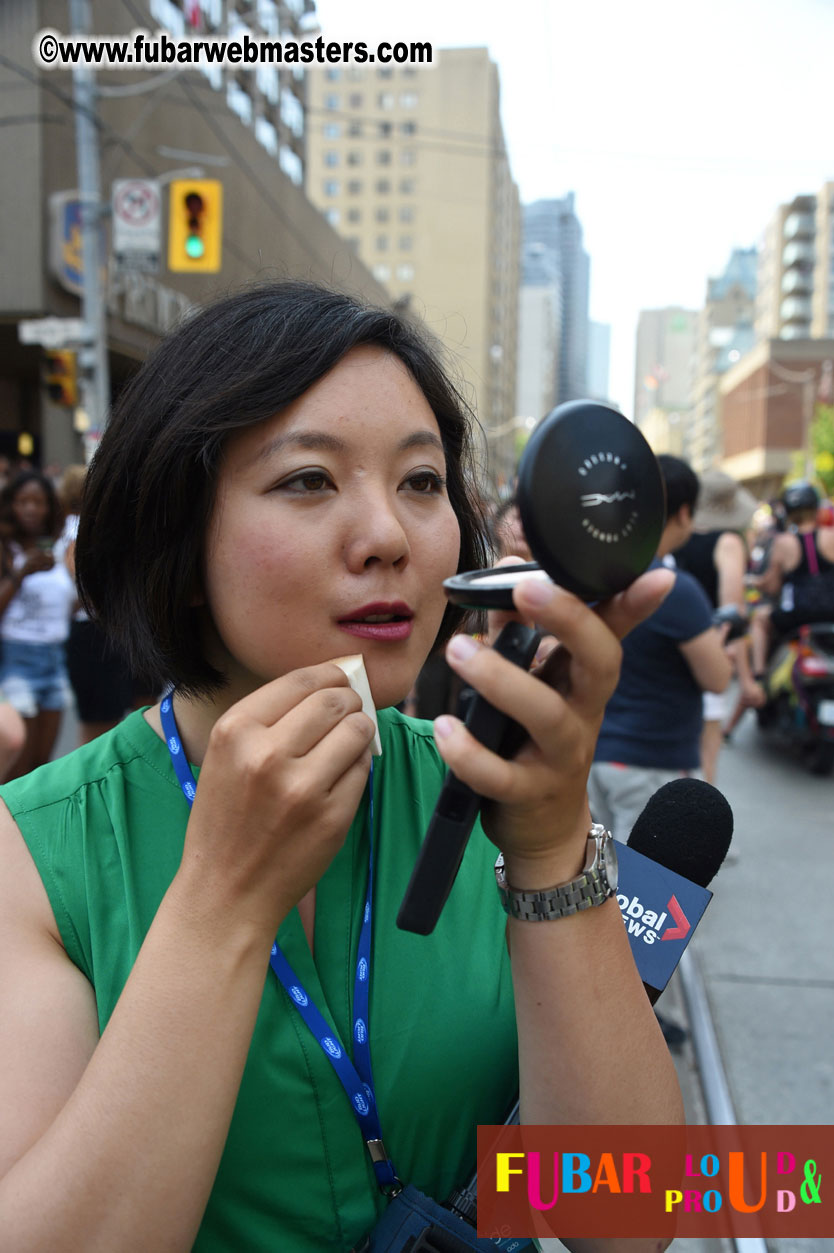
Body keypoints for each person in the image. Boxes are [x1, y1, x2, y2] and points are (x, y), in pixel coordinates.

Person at [0, 282, 682, 1252]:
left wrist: (550, 843)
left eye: (421, 481)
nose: (388, 536)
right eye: (309, 480)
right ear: (177, 531)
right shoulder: (35, 848)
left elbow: (633, 1214)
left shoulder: (491, 787)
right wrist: (225, 902)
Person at [588, 455, 732, 843]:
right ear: (683, 512)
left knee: (602, 883)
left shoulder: (595, 573)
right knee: (644, 897)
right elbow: (717, 679)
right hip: (652, 761)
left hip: (594, 756)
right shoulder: (674, 588)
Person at [672, 468, 761, 784]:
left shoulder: (672, 536)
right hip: (706, 657)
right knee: (704, 770)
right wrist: (747, 679)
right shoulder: (727, 542)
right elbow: (731, 614)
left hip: (664, 657)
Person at [0, 470, 76, 779]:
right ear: (10, 506)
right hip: (18, 660)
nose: (31, 508)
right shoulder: (7, 550)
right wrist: (21, 575)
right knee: (18, 763)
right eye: (23, 501)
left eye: (39, 501)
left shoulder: (59, 548)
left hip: (55, 659)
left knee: (42, 762)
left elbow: (69, 606)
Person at [59, 463, 140, 744]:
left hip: (102, 630)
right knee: (100, 727)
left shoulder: (85, 526)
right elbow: (85, 587)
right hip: (93, 632)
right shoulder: (78, 529)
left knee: (114, 718)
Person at [750, 480, 834, 693]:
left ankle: (759, 675)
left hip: (798, 616)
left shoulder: (783, 542)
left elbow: (773, 585)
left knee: (759, 619)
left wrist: (754, 582)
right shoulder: (830, 536)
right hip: (831, 614)